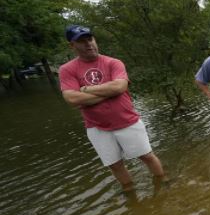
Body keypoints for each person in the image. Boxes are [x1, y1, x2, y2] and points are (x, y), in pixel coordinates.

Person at [59, 25, 165, 191]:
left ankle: (163, 184)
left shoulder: (113, 62)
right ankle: (130, 194)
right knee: (115, 165)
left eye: (90, 39)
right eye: (82, 41)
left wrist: (85, 89)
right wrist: (108, 91)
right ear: (72, 46)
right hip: (97, 127)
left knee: (146, 156)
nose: (88, 44)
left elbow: (119, 87)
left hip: (127, 121)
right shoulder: (67, 69)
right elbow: (71, 98)